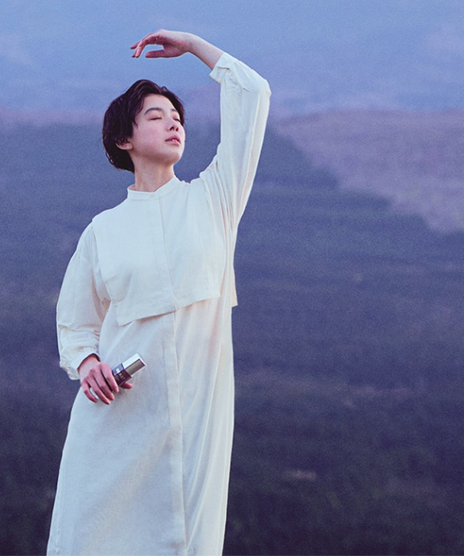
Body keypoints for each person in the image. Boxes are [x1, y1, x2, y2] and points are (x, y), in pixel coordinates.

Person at [47, 29, 271, 555]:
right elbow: (75, 323)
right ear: (124, 140)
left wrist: (194, 47)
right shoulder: (102, 230)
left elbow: (254, 94)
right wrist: (87, 365)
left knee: (187, 540)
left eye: (178, 118)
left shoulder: (214, 201)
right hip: (120, 413)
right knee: (92, 536)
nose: (173, 122)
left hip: (197, 410)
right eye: (155, 115)